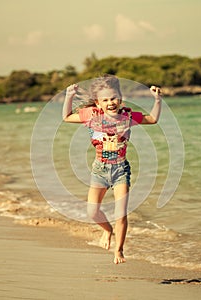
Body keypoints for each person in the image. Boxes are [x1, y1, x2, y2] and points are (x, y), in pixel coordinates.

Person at [63, 75, 162, 264]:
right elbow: (67, 117)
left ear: (121, 97)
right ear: (98, 103)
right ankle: (107, 230)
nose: (111, 102)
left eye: (114, 97)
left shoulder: (128, 116)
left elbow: (153, 119)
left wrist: (157, 100)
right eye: (106, 99)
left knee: (121, 214)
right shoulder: (91, 115)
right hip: (99, 170)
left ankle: (119, 250)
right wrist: (69, 96)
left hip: (120, 171)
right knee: (92, 212)